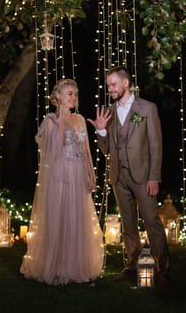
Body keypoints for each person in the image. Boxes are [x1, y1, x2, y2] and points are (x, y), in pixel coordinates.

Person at [88, 66, 170, 290]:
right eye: (108, 85)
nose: (110, 89)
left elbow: (155, 145)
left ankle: (163, 270)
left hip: (143, 177)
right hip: (118, 176)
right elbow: (106, 150)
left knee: (152, 221)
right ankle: (132, 266)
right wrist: (102, 131)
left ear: (126, 83)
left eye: (113, 84)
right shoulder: (110, 112)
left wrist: (154, 177)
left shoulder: (147, 108)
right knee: (128, 224)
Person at [20, 78, 104, 285]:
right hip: (59, 174)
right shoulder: (50, 120)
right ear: (57, 97)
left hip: (77, 172)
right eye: (69, 93)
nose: (73, 97)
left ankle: (74, 264)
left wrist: (90, 174)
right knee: (59, 217)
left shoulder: (80, 119)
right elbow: (52, 152)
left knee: (77, 217)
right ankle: (55, 265)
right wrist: (59, 124)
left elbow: (85, 150)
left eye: (75, 93)